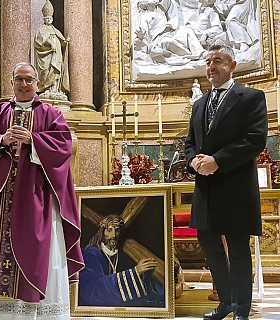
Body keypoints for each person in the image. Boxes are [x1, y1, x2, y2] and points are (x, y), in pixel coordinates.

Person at [0, 62, 84, 319]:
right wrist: (1, 140)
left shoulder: (51, 114)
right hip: (2, 200)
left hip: (37, 196)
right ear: (11, 83)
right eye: (19, 79)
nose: (23, 84)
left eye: (29, 80)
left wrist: (34, 140)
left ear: (37, 84)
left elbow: (63, 145)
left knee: (40, 252)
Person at [184, 44, 268, 320]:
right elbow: (189, 144)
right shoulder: (199, 104)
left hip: (235, 188)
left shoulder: (251, 98)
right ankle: (226, 304)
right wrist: (194, 160)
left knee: (238, 250)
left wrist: (218, 160)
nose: (210, 67)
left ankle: (242, 308)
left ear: (232, 66)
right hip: (206, 189)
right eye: (208, 62)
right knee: (210, 248)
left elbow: (255, 139)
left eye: (217, 61)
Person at [79, 215, 164, 306]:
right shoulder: (92, 254)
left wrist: (144, 277)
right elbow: (92, 290)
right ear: (102, 232)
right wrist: (135, 273)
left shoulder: (124, 253)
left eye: (117, 230)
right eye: (109, 230)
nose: (114, 235)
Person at [34, 0, 70, 101]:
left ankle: (55, 89)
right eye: (47, 18)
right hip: (47, 56)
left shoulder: (56, 30)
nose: (49, 20)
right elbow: (39, 41)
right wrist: (49, 43)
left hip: (57, 54)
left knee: (56, 70)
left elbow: (61, 41)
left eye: (50, 18)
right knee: (48, 71)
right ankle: (47, 89)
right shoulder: (41, 29)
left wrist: (64, 42)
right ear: (44, 19)